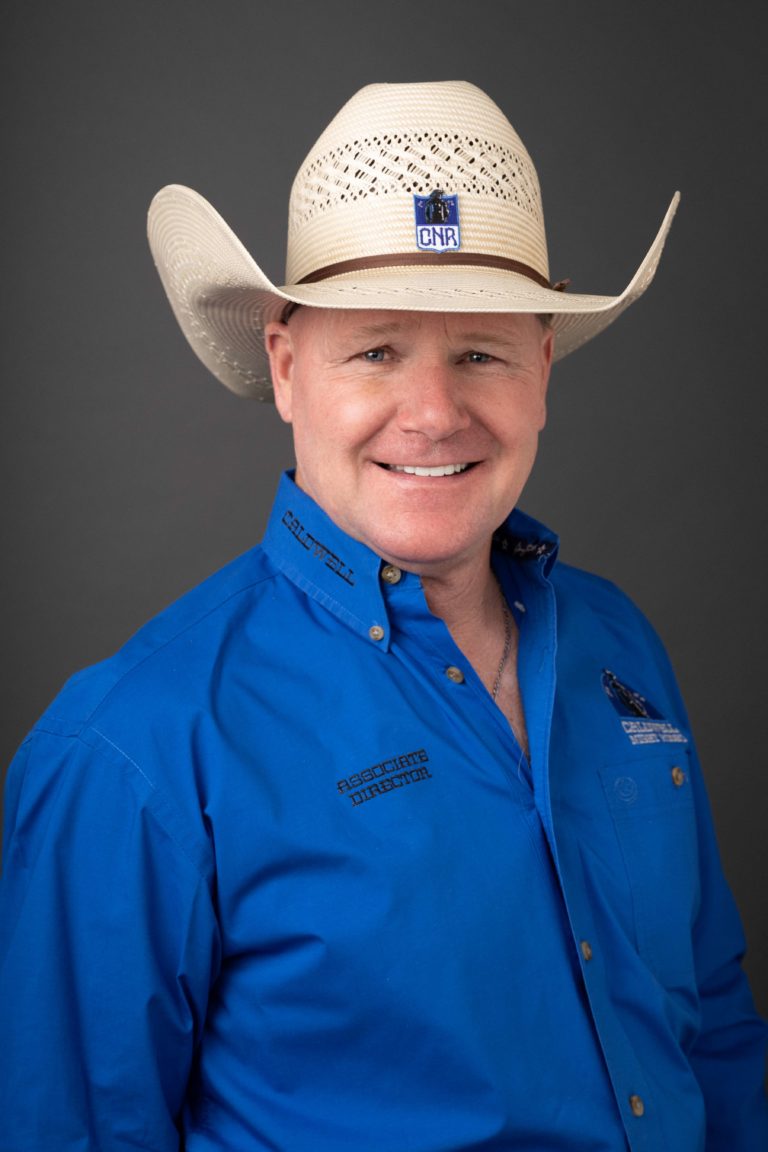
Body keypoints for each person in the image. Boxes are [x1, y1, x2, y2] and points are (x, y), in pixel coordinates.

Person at [1, 80, 766, 1152]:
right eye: (376, 350)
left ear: (543, 368)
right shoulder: (132, 751)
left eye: (481, 352)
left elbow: (714, 1031)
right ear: (286, 368)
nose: (436, 414)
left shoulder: (618, 646)